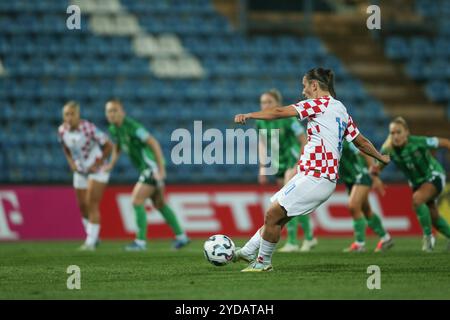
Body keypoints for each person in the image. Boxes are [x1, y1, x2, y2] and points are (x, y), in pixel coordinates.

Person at [233, 67, 390, 272]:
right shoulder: (341, 109)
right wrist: (380, 157)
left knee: (272, 214)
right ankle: (247, 251)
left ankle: (263, 263)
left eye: (304, 86)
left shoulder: (317, 104)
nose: (303, 91)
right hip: (313, 176)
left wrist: (250, 114)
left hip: (316, 176)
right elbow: (360, 141)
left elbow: (280, 111)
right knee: (277, 217)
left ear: (314, 85)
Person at [104, 99, 190, 251]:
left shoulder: (133, 127)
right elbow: (117, 146)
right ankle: (182, 237)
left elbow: (154, 143)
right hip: (149, 168)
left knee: (137, 201)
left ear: (122, 112)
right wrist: (111, 163)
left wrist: (161, 169)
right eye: (109, 111)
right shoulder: (113, 129)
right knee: (159, 204)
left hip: (152, 167)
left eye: (115, 110)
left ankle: (140, 242)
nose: (112, 114)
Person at [373, 116, 450, 252]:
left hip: (434, 175)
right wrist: (376, 177)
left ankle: (428, 238)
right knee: (433, 216)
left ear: (407, 132)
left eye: (399, 132)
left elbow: (445, 142)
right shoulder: (388, 149)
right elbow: (376, 169)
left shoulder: (419, 142)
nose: (395, 136)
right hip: (417, 183)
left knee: (417, 200)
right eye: (392, 133)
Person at [256, 89, 317, 253]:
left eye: (269, 102)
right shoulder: (261, 122)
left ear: (277, 104)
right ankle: (308, 238)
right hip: (278, 163)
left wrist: (300, 162)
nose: (265, 105)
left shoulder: (288, 120)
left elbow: (303, 140)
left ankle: (294, 241)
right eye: (263, 102)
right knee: (289, 202)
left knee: (288, 200)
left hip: (293, 159)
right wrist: (263, 167)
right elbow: (262, 144)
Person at [58, 101, 112, 251]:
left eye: (72, 114)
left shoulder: (88, 128)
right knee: (82, 207)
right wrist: (71, 163)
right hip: (80, 170)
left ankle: (90, 243)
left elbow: (108, 145)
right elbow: (65, 147)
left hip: (97, 170)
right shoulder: (62, 131)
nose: (69, 117)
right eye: (66, 114)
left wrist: (98, 163)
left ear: (78, 115)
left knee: (91, 203)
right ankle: (94, 237)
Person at [339, 140, 393, 252]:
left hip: (360, 175)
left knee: (353, 206)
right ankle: (385, 238)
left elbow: (364, 153)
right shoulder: (327, 142)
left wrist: (374, 175)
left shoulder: (344, 142)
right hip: (350, 180)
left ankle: (359, 244)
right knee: (366, 210)